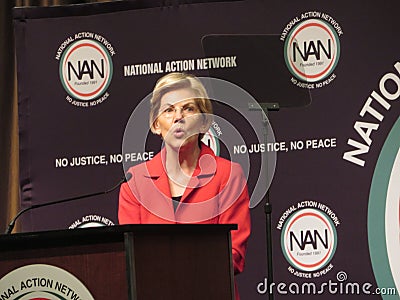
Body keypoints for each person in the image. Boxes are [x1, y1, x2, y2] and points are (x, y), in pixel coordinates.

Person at [118, 72, 251, 299]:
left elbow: (233, 255)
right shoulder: (135, 183)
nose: (178, 117)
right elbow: (131, 258)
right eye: (168, 110)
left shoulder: (228, 175)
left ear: (204, 121)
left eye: (188, 109)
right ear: (155, 124)